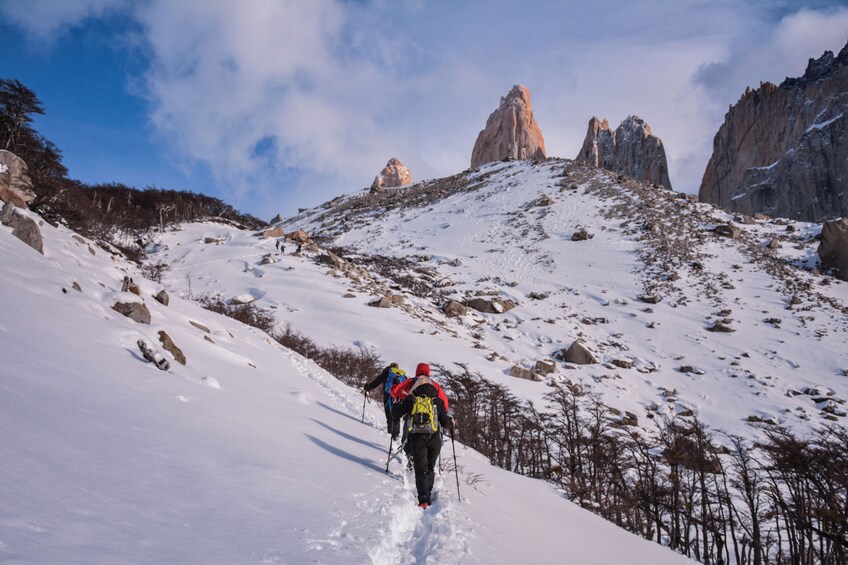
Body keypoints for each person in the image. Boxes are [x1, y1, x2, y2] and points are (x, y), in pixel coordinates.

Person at [391, 363, 453, 508]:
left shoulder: (412, 392)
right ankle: (428, 493)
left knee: (420, 468)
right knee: (430, 467)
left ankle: (423, 500)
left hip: (417, 434)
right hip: (434, 435)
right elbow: (445, 418)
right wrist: (451, 423)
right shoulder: (437, 393)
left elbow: (396, 398)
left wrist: (396, 403)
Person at [363, 362, 406, 438]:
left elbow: (376, 383)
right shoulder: (402, 375)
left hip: (388, 396)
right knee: (396, 415)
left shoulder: (386, 373)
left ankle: (390, 433)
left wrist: (367, 388)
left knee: (389, 414)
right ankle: (396, 435)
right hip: (398, 396)